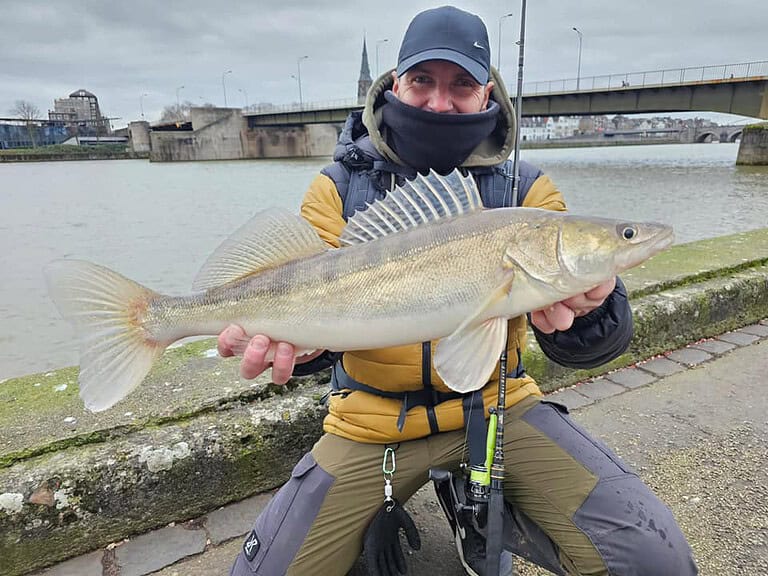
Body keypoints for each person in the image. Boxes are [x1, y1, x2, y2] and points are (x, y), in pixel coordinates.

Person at [225, 6, 697, 576]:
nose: (440, 102)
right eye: (423, 81)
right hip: (370, 420)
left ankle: (476, 506)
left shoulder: (527, 192)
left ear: (487, 96)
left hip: (500, 409)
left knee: (655, 562)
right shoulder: (338, 186)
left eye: (462, 85)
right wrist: (300, 349)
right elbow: (319, 327)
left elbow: (586, 348)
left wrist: (596, 309)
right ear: (395, 83)